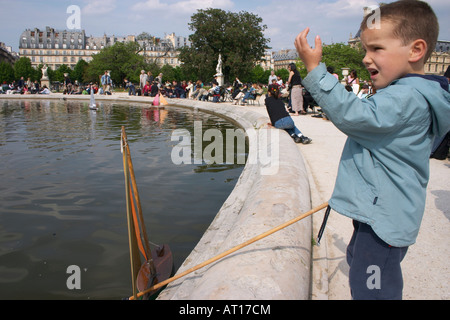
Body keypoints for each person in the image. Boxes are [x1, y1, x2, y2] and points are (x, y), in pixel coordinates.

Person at [294, 0, 450, 300]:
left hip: (383, 216)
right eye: (365, 49)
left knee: (373, 287)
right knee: (362, 265)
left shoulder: (406, 98)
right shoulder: (408, 94)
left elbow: (354, 115)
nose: (366, 59)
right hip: (381, 210)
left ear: (415, 51)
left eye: (376, 49)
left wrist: (314, 70)